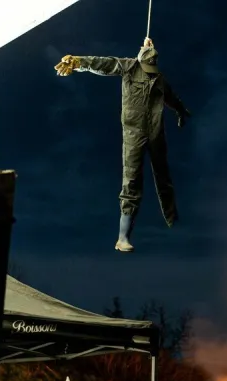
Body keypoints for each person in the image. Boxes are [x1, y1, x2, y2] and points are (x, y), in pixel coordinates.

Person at [53, 38, 191, 252]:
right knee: (132, 181)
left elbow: (172, 98)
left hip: (155, 132)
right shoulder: (130, 66)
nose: (150, 71)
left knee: (164, 176)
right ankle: (123, 238)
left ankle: (173, 220)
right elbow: (104, 64)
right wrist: (79, 61)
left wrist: (181, 111)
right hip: (133, 133)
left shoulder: (160, 79)